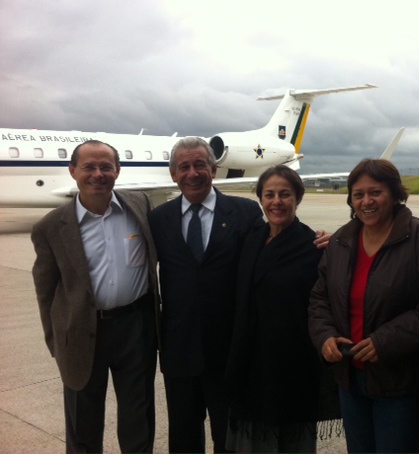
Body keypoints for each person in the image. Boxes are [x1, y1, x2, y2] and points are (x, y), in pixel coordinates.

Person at [31, 140, 159, 454]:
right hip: (81, 331)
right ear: (73, 170)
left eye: (106, 166)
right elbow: (45, 290)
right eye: (89, 166)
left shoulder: (139, 205)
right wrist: (56, 341)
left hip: (136, 327)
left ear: (118, 170)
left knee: (138, 416)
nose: (98, 174)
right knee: (83, 421)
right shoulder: (50, 227)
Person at [308, 158, 419, 454]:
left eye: (375, 192)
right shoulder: (342, 239)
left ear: (394, 194)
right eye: (358, 194)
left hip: (400, 383)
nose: (366, 201)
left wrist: (384, 341)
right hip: (351, 380)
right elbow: (320, 299)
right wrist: (325, 336)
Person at [148, 137, 264, 454]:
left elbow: (271, 257)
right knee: (183, 438)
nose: (193, 173)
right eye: (184, 166)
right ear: (173, 174)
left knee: (231, 438)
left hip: (229, 348)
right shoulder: (159, 220)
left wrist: (325, 242)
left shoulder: (245, 212)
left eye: (200, 164)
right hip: (179, 348)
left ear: (213, 169)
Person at [225, 165, 341, 454]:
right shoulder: (250, 240)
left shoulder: (313, 246)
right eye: (269, 194)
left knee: (292, 442)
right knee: (252, 443)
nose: (276, 202)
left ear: (298, 198)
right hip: (250, 360)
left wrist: (339, 243)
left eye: (285, 194)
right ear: (261, 199)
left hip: (293, 363)